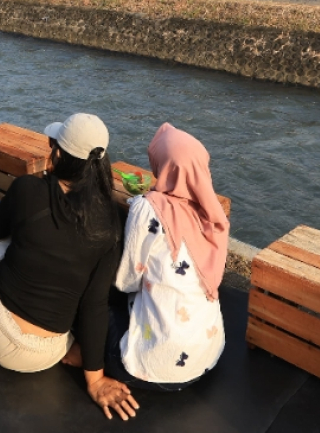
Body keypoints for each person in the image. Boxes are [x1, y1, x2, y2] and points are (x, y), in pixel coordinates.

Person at [0, 114, 138, 421]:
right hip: (41, 357)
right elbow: (94, 304)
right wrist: (96, 379)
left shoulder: (27, 189)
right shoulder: (110, 224)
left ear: (58, 154)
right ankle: (71, 348)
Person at [67, 123, 228, 392]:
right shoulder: (213, 216)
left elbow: (127, 281)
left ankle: (81, 354)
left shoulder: (147, 209)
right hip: (204, 360)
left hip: (153, 368)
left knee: (92, 301)